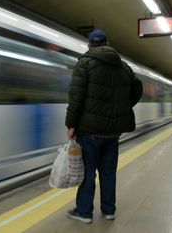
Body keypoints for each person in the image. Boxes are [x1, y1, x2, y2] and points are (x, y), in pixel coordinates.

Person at [65, 29, 143, 224]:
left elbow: (76, 97)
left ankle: (84, 212)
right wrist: (122, 108)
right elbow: (137, 88)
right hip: (112, 133)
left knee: (88, 172)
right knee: (108, 172)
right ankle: (109, 210)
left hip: (89, 131)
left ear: (90, 45)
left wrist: (71, 124)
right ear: (107, 44)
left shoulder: (84, 63)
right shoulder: (124, 66)